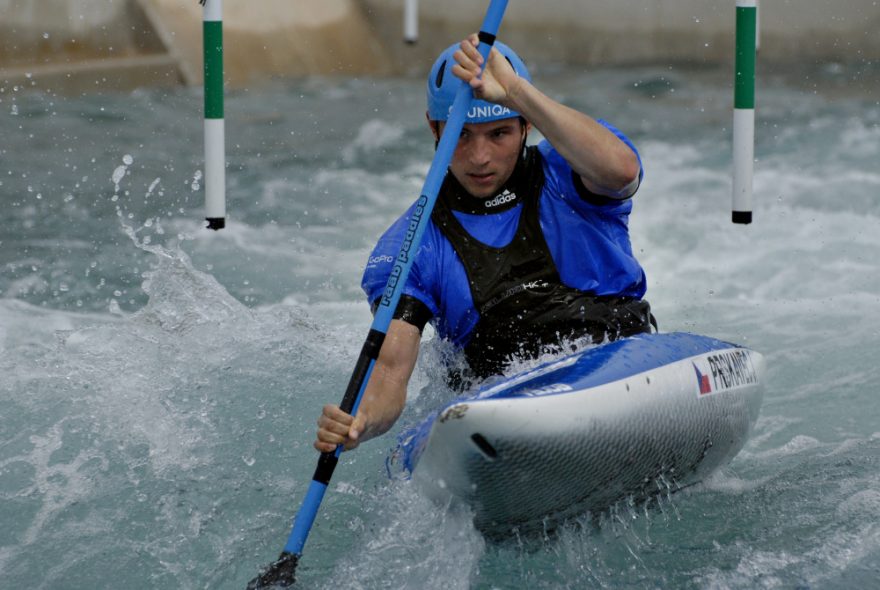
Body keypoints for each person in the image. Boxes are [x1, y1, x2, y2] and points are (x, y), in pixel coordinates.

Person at [314, 35, 654, 454]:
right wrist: (360, 422)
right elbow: (389, 372)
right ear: (432, 126)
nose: (480, 157)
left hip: (619, 364)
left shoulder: (570, 170)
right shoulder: (410, 246)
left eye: (499, 133)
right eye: (461, 133)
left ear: (526, 125)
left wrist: (515, 92)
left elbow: (621, 172)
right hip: (504, 408)